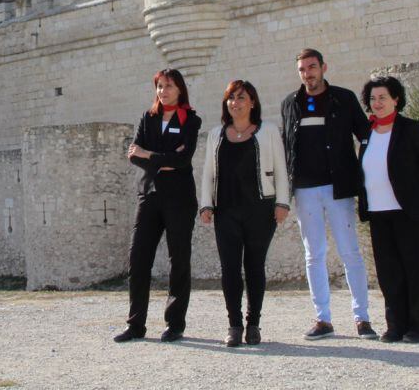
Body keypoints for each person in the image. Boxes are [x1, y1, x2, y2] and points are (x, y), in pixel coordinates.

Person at [281, 48, 378, 340]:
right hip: (305, 189)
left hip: (339, 188)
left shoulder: (343, 98)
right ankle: (322, 319)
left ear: (323, 67)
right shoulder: (290, 103)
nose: (307, 74)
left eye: (312, 67)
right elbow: (286, 146)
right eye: (302, 69)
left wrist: (365, 174)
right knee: (313, 255)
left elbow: (365, 134)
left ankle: (362, 318)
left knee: (351, 252)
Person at [199, 80, 290, 347]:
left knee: (254, 266)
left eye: (241, 98)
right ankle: (234, 325)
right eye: (231, 98)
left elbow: (281, 168)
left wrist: (282, 203)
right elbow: (207, 172)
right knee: (229, 269)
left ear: (252, 102)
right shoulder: (216, 134)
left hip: (260, 209)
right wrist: (206, 205)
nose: (235, 103)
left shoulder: (268, 130)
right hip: (226, 210)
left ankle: (254, 324)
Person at [114, 68, 202, 343]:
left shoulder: (191, 120)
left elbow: (183, 159)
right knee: (138, 259)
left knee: (179, 261)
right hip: (149, 195)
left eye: (169, 86)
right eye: (159, 86)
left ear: (180, 89)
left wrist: (149, 154)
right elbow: (133, 156)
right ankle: (136, 324)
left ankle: (174, 324)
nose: (163, 91)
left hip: (179, 198)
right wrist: (163, 158)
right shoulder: (147, 118)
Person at [358, 76, 419, 343]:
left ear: (396, 99)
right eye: (372, 98)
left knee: (414, 270)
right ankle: (396, 325)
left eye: (382, 97)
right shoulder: (368, 134)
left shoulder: (412, 129)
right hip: (379, 214)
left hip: (408, 212)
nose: (377, 103)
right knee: (388, 272)